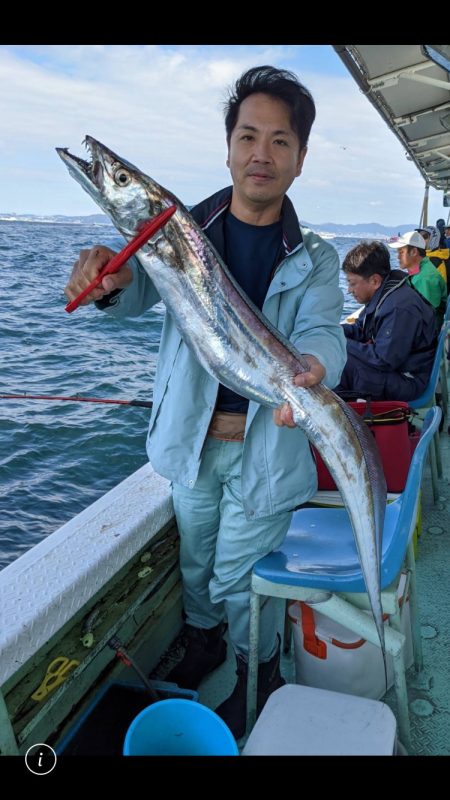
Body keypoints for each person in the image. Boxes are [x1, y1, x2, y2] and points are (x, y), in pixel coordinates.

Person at [64, 65, 347, 738]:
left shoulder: (314, 258)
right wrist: (107, 283)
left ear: (300, 159)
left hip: (266, 447)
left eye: (280, 141)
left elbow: (324, 335)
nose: (261, 153)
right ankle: (204, 642)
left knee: (238, 578)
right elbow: (136, 293)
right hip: (190, 441)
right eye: (249, 135)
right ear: (228, 147)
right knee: (196, 564)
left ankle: (259, 669)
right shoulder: (180, 230)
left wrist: (312, 367)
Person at [334, 241, 437, 401]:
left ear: (375, 281)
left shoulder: (398, 308)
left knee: (339, 364)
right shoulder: (384, 293)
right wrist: (332, 331)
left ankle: (347, 418)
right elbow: (361, 329)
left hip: (408, 379)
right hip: (397, 367)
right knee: (334, 352)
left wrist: (340, 341)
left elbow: (383, 360)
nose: (349, 290)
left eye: (352, 283)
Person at [388, 230, 447, 327]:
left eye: (401, 252)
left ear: (414, 252)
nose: (398, 257)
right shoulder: (424, 269)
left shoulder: (425, 279)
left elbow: (425, 319)